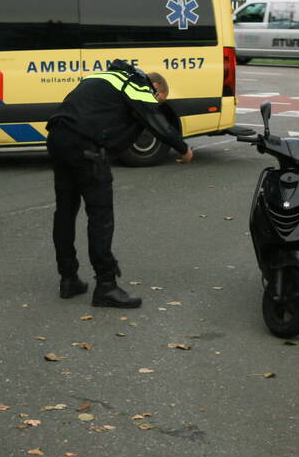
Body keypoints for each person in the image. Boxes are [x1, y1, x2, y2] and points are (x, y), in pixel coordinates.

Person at [46, 60, 193, 308]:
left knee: (65, 211)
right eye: (159, 98)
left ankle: (68, 279)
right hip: (86, 148)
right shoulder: (135, 83)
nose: (155, 102)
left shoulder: (104, 77)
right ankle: (106, 286)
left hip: (59, 139)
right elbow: (155, 120)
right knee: (100, 217)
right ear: (156, 87)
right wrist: (183, 148)